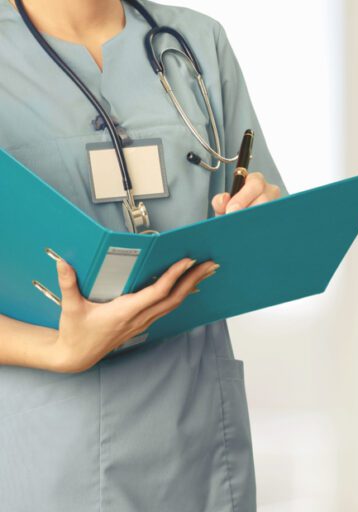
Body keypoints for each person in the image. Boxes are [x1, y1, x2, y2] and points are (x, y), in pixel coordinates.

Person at [0, 0, 286, 510]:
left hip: (196, 439)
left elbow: (267, 220)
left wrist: (263, 210)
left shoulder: (196, 41)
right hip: (48, 450)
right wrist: (59, 350)